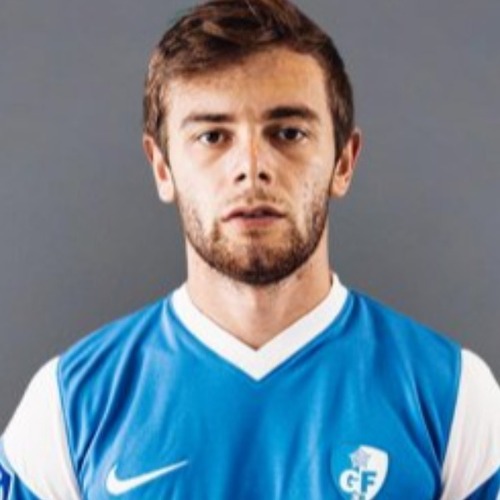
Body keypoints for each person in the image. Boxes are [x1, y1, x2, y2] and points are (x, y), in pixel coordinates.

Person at [1, 0, 499, 498]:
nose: (251, 167)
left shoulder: (456, 399)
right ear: (162, 168)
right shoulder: (67, 408)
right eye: (212, 136)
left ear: (343, 162)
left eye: (288, 133)